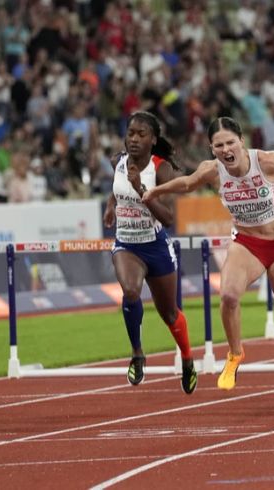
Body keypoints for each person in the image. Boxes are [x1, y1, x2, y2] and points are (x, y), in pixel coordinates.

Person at [143, 117, 274, 420]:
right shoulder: (212, 170)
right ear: (212, 148)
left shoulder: (268, 162)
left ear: (242, 141)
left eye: (230, 142)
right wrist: (157, 191)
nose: (225, 149)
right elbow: (188, 183)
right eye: (219, 145)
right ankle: (235, 353)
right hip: (246, 242)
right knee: (229, 297)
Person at [103, 111, 197, 394]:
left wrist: (140, 189)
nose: (133, 139)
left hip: (155, 245)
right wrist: (111, 205)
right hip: (127, 244)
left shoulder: (161, 169)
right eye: (130, 133)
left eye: (141, 135)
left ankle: (188, 359)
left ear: (153, 140)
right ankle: (137, 353)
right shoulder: (117, 162)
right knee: (130, 291)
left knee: (169, 314)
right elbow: (116, 188)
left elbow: (168, 217)